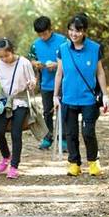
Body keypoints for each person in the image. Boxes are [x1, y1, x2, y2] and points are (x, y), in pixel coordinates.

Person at [53, 13, 109, 176]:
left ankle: (93, 162)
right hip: (68, 98)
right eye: (71, 30)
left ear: (84, 31)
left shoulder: (95, 48)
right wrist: (55, 96)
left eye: (77, 30)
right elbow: (59, 73)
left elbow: (100, 73)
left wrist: (105, 95)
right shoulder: (63, 49)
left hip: (89, 99)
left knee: (88, 132)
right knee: (70, 133)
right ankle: (74, 163)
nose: (73, 34)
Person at [0, 38, 36, 179]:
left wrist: (32, 83)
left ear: (12, 51)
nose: (4, 59)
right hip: (4, 100)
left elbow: (33, 80)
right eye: (1, 56)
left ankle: (14, 166)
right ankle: (6, 156)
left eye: (7, 55)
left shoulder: (24, 63)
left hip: (20, 100)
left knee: (16, 133)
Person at [28, 16, 68, 151]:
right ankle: (48, 137)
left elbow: (71, 60)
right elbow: (31, 60)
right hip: (46, 84)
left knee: (63, 111)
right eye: (40, 34)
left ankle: (63, 139)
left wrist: (57, 64)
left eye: (45, 33)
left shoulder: (63, 41)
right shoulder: (35, 44)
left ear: (51, 29)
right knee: (47, 112)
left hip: (63, 83)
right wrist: (36, 64)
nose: (43, 37)